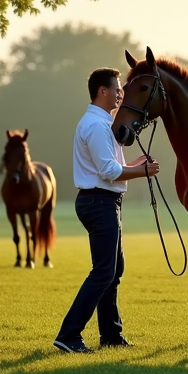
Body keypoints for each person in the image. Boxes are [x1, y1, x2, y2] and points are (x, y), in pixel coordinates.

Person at [53, 67, 161, 354]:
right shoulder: (97, 126)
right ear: (102, 91)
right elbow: (110, 171)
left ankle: (111, 335)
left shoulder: (100, 123)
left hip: (102, 201)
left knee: (113, 270)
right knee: (103, 272)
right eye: (116, 88)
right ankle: (69, 335)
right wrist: (143, 171)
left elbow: (112, 165)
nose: (120, 93)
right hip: (99, 202)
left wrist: (136, 164)